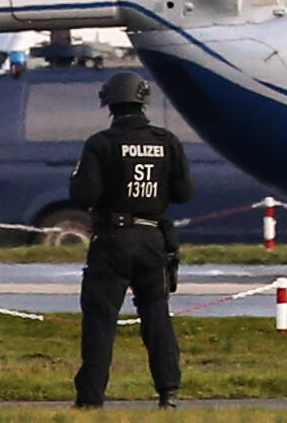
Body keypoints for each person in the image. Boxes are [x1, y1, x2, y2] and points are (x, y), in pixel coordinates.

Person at [70, 72, 194, 409]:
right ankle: (168, 392)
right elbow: (184, 192)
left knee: (101, 319)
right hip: (153, 239)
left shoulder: (101, 143)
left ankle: (91, 399)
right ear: (144, 101)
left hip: (112, 240)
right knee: (156, 315)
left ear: (109, 103)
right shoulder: (166, 141)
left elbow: (83, 195)